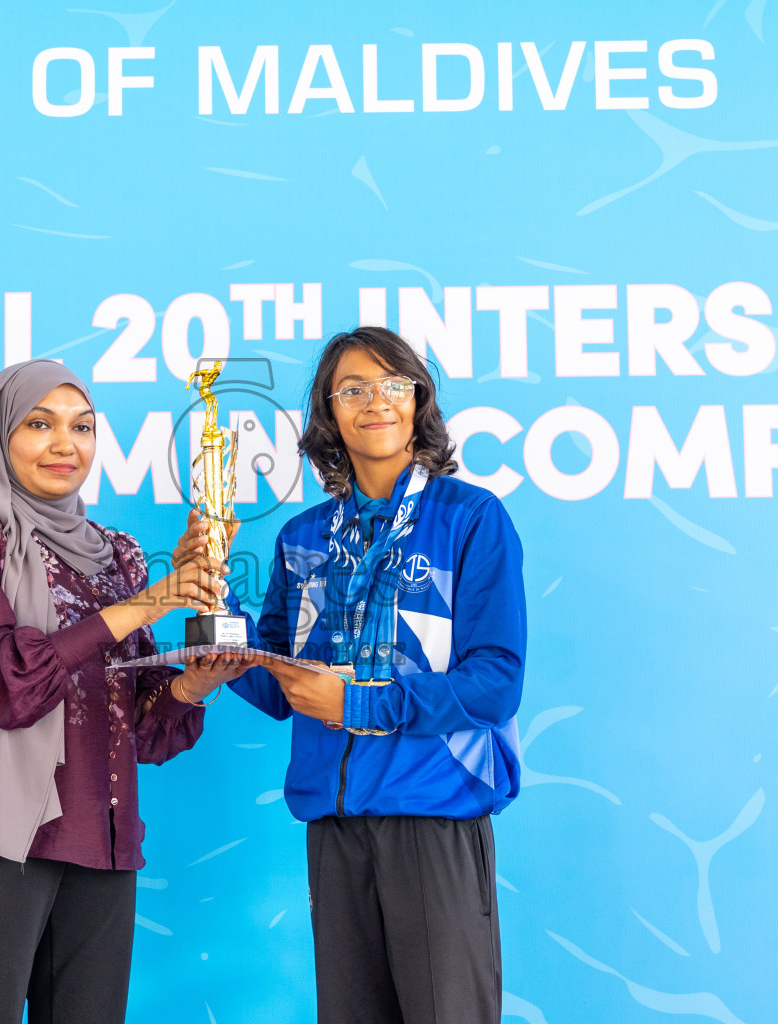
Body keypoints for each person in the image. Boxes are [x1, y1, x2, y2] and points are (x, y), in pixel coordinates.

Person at [0, 359, 251, 1024]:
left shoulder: (114, 554)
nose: (66, 444)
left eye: (83, 427)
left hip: (100, 834)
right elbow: (2, 682)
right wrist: (149, 603)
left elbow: (143, 728)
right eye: (40, 424)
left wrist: (193, 685)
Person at [219, 326, 527, 1024]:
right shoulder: (304, 538)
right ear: (330, 414)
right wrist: (217, 608)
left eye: (392, 385)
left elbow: (496, 681)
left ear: (418, 400)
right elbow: (276, 685)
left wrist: (360, 702)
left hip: (435, 818)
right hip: (335, 828)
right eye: (352, 389)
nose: (375, 402)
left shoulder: (471, 519)